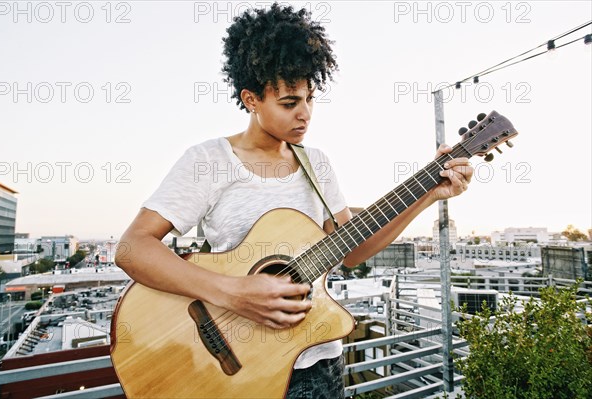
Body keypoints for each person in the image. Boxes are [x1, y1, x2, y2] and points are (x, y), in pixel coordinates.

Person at [115, 3, 473, 398]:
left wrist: (427, 195)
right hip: (240, 372)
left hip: (318, 365)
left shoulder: (317, 164)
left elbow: (351, 250)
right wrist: (231, 292)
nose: (305, 114)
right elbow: (133, 248)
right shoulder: (209, 161)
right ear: (250, 99)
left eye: (310, 98)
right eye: (289, 103)